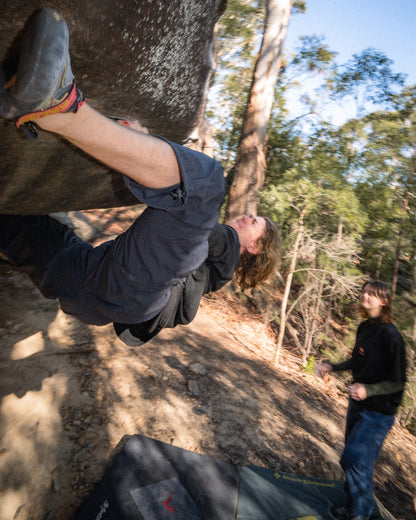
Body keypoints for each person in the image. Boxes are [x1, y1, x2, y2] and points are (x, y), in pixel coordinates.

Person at [0, 8, 280, 345]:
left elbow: (194, 228)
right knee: (26, 230)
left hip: (131, 292)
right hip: (95, 295)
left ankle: (55, 107)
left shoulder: (225, 251)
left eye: (254, 222)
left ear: (254, 248)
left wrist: (144, 143)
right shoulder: (206, 267)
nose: (247, 217)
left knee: (206, 182)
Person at [316, 280, 407, 520]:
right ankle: (354, 506)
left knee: (354, 460)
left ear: (384, 301)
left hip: (379, 412)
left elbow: (398, 382)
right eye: (364, 291)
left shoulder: (392, 336)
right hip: (357, 404)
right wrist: (332, 366)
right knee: (356, 461)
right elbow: (356, 362)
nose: (365, 295)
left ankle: (361, 512)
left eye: (371, 293)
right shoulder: (365, 327)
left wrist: (369, 390)